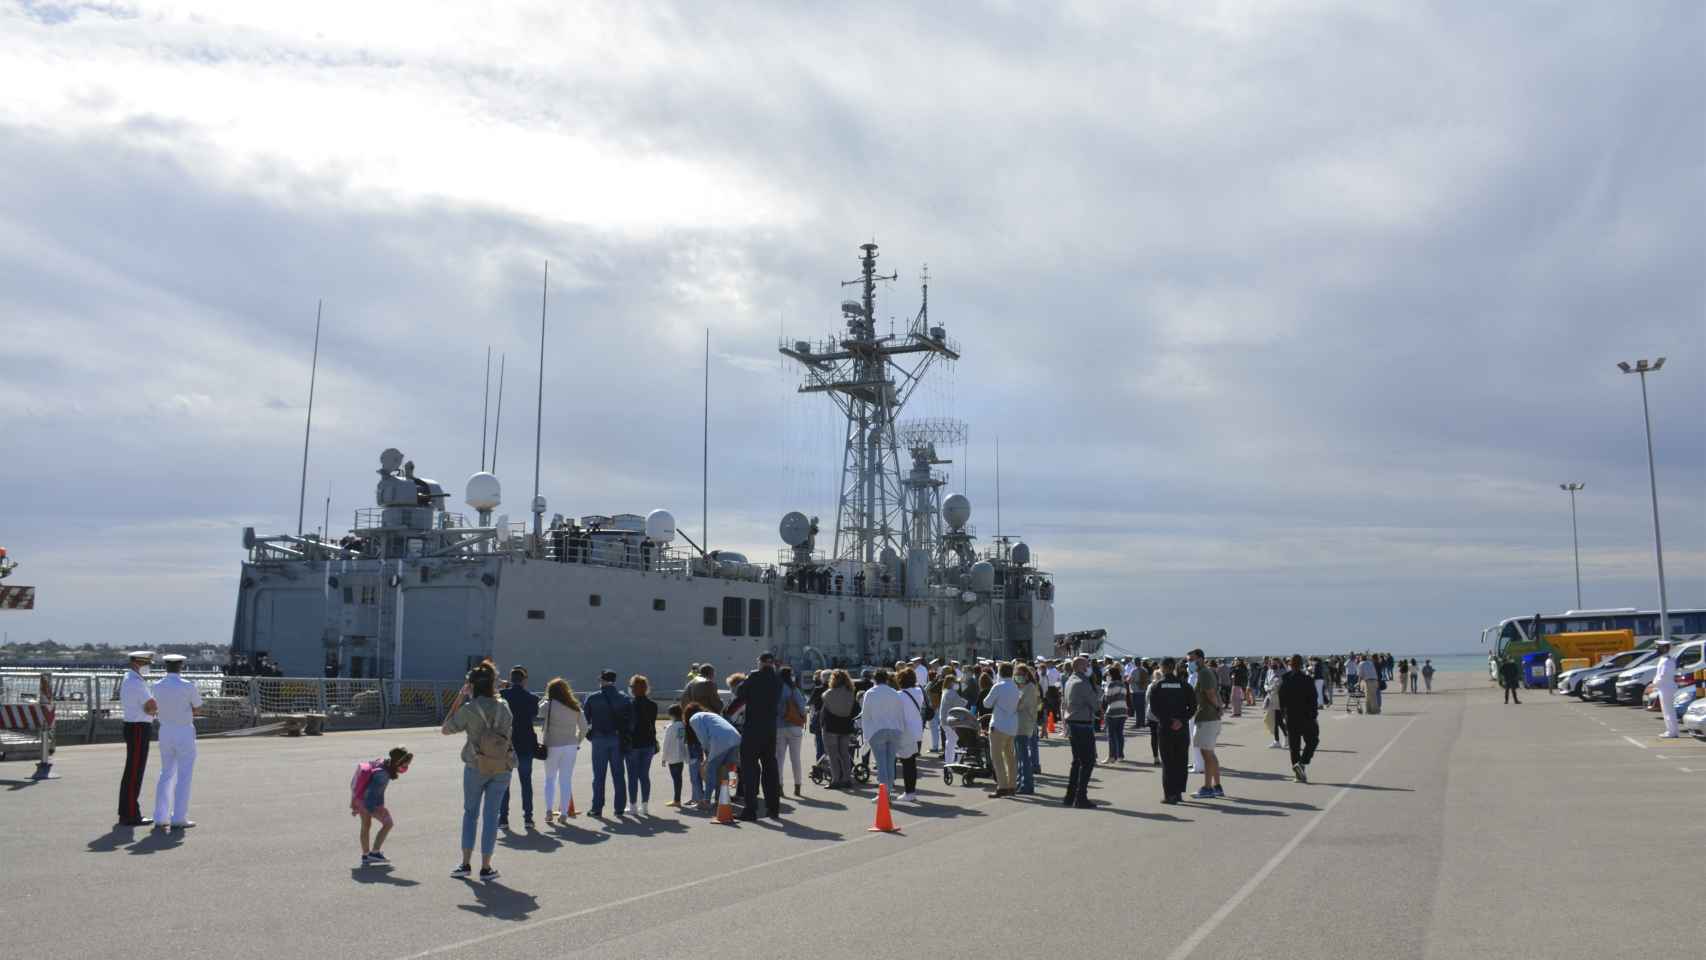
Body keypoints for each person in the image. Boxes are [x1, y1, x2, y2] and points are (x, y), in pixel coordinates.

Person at [442, 661, 514, 881]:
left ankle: (465, 864)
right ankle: (486, 866)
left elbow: (446, 728)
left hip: (475, 764)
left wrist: (460, 697)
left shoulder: (469, 709)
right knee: (492, 816)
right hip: (502, 765)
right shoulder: (504, 706)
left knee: (470, 814)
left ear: (471, 685)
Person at [149, 654, 203, 829]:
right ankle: (179, 816)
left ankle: (160, 816)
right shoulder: (187, 686)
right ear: (181, 666)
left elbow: (153, 707)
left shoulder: (156, 686)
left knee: (166, 774)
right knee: (184, 775)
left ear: (166, 666)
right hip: (184, 730)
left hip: (165, 730)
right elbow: (197, 707)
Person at [736, 652, 783, 821]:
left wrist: (748, 677)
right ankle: (773, 808)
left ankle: (750, 809)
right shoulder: (778, 680)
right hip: (770, 729)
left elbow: (740, 693)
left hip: (753, 728)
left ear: (761, 662)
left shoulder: (754, 676)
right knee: (770, 768)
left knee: (750, 769)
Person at [581, 669, 633, 817]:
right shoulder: (623, 698)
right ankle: (619, 808)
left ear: (601, 680)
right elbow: (630, 721)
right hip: (617, 739)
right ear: (614, 681)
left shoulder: (592, 698)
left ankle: (597, 808)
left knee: (598, 776)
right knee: (618, 774)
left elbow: (585, 721)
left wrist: (591, 736)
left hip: (599, 739)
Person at [117, 651, 158, 826]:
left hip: (134, 727)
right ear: (140, 663)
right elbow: (151, 706)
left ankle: (126, 811)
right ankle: (131, 814)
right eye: (148, 663)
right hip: (138, 728)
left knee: (132, 771)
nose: (149, 667)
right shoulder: (136, 682)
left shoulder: (130, 679)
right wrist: (154, 710)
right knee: (134, 772)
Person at [539, 677, 587, 823]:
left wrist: (544, 699)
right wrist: (577, 741)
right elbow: (584, 728)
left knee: (550, 779)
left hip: (552, 745)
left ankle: (548, 811)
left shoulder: (548, 705)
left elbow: (539, 711)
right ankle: (564, 813)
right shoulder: (575, 706)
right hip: (570, 745)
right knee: (565, 780)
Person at [1149, 658, 1195, 804]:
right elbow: (1193, 706)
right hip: (1181, 728)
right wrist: (1181, 720)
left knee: (1168, 762)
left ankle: (1169, 795)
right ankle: (1178, 792)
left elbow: (1154, 709)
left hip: (1165, 728)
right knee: (1181, 760)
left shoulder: (1157, 686)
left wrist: (1168, 721)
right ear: (1174, 667)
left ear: (1162, 668)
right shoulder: (1184, 685)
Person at [355, 746, 412, 865]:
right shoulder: (383, 775)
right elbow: (372, 793)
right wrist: (376, 809)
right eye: (405, 765)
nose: (406, 768)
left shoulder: (384, 762)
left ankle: (366, 855)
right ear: (397, 762)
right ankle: (374, 853)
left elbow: (376, 791)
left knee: (365, 826)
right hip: (367, 803)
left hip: (360, 799)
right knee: (388, 823)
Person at [498, 666, 539, 829]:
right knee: (526, 782)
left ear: (510, 679)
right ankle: (528, 818)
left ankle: (503, 819)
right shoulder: (531, 698)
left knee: (504, 784)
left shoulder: (502, 696)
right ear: (524, 680)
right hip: (525, 744)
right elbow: (533, 715)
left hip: (506, 744)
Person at [861, 669, 908, 801]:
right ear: (887, 679)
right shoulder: (895, 693)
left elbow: (866, 716)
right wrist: (901, 730)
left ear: (874, 679)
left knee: (881, 763)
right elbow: (900, 713)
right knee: (890, 761)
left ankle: (884, 793)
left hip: (877, 730)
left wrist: (866, 736)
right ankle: (889, 788)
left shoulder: (870, 693)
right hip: (894, 730)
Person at [685, 704, 741, 807]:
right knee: (724, 771)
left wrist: (707, 755)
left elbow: (704, 739)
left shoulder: (694, 719)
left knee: (710, 771)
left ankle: (706, 801)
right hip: (735, 738)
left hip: (720, 741)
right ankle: (721, 799)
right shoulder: (710, 715)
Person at [681, 665, 721, 809]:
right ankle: (715, 797)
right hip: (707, 729)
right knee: (712, 764)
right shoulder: (709, 683)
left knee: (694, 765)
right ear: (711, 673)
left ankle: (696, 797)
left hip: (691, 729)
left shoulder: (690, 683)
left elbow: (683, 703)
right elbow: (717, 704)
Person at [1062, 655, 1097, 808]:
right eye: (1086, 665)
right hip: (1082, 724)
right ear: (1081, 667)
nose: (1088, 668)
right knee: (1088, 761)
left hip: (1072, 723)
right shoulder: (1083, 682)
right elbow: (1095, 703)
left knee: (1077, 762)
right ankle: (1080, 796)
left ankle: (1070, 795)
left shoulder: (1069, 680)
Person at [1278, 655, 1319, 782]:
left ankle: (1298, 771)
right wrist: (1314, 715)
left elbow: (1281, 699)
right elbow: (1314, 698)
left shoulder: (1285, 679)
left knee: (1294, 746)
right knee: (1312, 741)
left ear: (1290, 665)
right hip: (1306, 716)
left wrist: (1284, 714)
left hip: (1291, 716)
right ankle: (1302, 763)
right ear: (1301, 665)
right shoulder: (1307, 679)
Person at [626, 675, 659, 817]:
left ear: (633, 689)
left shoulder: (629, 704)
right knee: (644, 775)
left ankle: (633, 805)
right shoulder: (653, 705)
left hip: (633, 744)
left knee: (632, 776)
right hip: (649, 743)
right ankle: (645, 805)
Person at [1191, 662, 1224, 799]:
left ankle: (1208, 788)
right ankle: (1217, 786)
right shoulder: (1207, 672)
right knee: (1210, 753)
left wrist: (1217, 707)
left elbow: (1210, 693)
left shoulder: (1204, 673)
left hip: (1207, 718)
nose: (1189, 662)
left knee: (1207, 755)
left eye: (1191, 659)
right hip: (1211, 718)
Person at [820, 669, 859, 788]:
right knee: (844, 754)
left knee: (833, 755)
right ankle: (847, 779)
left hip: (831, 726)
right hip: (845, 727)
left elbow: (824, 708)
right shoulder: (850, 693)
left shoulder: (828, 694)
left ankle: (836, 780)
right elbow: (855, 710)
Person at [776, 667, 807, 798]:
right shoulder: (794, 689)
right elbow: (802, 705)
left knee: (779, 759)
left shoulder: (775, 689)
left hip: (778, 726)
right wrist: (802, 717)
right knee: (795, 759)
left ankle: (779, 787)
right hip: (794, 726)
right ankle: (797, 786)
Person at [896, 668, 926, 802]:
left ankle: (909, 792)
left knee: (907, 762)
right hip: (917, 730)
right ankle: (911, 791)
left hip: (906, 731)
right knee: (912, 762)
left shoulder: (899, 695)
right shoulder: (919, 692)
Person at [1014, 664, 1041, 794]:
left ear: (1026, 675)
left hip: (1024, 724)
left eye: (1020, 674)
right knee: (1020, 757)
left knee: (1024, 757)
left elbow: (1019, 705)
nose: (1018, 677)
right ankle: (1020, 782)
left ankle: (1027, 785)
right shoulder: (1022, 687)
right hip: (1018, 724)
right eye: (1016, 674)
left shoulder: (1030, 688)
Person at [660, 704, 688, 807]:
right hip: (680, 755)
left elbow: (666, 744)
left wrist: (663, 758)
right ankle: (677, 799)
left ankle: (676, 800)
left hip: (672, 756)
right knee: (678, 779)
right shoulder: (682, 725)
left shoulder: (671, 727)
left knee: (675, 779)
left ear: (672, 715)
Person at [1652, 640, 1680, 738]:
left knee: (1668, 710)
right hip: (1665, 687)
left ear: (1664, 648)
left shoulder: (1667, 660)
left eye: (1659, 648)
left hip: (1666, 687)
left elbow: (1663, 675)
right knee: (1667, 710)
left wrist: (1654, 684)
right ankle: (1671, 730)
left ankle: (1672, 732)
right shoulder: (1665, 659)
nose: (1657, 650)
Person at [938, 669, 965, 766]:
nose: (957, 684)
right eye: (955, 682)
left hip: (944, 720)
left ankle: (950, 761)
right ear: (951, 683)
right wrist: (966, 701)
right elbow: (960, 703)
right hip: (951, 721)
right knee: (955, 740)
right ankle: (953, 762)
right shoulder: (951, 692)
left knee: (950, 741)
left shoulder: (945, 691)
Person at [1102, 668, 1128, 762]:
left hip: (1112, 710)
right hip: (1123, 710)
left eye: (1108, 674)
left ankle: (1112, 756)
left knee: (1111, 735)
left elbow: (1107, 699)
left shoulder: (1111, 684)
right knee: (1119, 734)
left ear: (1111, 675)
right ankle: (1120, 755)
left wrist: (1106, 687)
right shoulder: (1123, 684)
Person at [1263, 659, 1285, 748]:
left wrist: (1270, 688)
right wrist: (1266, 687)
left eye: (1275, 662)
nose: (1273, 664)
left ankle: (1277, 741)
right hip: (1270, 697)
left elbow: (1279, 683)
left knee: (1276, 720)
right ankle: (1286, 737)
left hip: (1278, 698)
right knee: (1277, 720)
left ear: (1279, 663)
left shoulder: (1282, 672)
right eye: (1272, 662)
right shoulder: (1269, 671)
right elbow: (1265, 682)